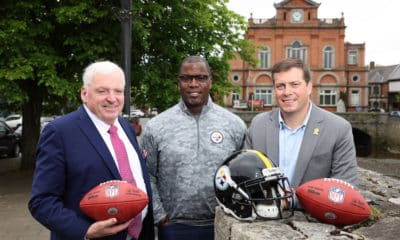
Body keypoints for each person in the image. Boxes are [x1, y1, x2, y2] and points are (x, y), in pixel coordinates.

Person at [29, 61, 154, 240]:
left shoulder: (126, 127)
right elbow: (41, 202)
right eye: (102, 91)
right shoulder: (59, 132)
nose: (112, 98)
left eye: (118, 91)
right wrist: (85, 231)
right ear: (84, 93)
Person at [141, 55, 246, 240]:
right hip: (174, 226)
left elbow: (244, 173)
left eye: (201, 77)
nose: (193, 84)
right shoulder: (157, 126)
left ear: (210, 82)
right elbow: (147, 174)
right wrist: (160, 216)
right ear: (179, 82)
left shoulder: (234, 125)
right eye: (186, 78)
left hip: (222, 223)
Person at [244, 58, 358, 207]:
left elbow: (346, 189)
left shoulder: (338, 129)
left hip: (314, 223)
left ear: (309, 87)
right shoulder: (258, 125)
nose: (287, 92)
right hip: (259, 220)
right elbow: (244, 176)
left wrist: (290, 200)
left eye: (295, 84)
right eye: (280, 86)